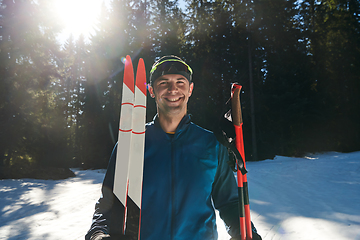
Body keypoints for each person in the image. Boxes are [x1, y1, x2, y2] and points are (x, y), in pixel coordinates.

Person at [85, 56, 262, 240]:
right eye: (163, 82)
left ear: (190, 89)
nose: (173, 89)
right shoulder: (130, 143)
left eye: (180, 82)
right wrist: (97, 235)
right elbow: (108, 203)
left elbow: (230, 202)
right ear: (151, 90)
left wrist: (247, 233)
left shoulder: (211, 144)